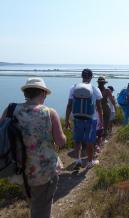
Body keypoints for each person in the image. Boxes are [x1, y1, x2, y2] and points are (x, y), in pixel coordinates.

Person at [0, 77, 66, 218]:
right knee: (41, 208)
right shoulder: (49, 113)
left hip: (19, 170)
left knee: (34, 202)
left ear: (26, 93)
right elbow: (61, 142)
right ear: (43, 93)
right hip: (44, 172)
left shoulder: (11, 109)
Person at [65, 69, 103, 169]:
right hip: (91, 119)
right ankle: (90, 162)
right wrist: (101, 121)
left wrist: (66, 120)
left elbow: (69, 105)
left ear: (82, 76)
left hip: (77, 118)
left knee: (78, 140)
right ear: (91, 77)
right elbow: (99, 107)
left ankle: (78, 160)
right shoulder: (95, 89)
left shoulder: (73, 88)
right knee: (90, 142)